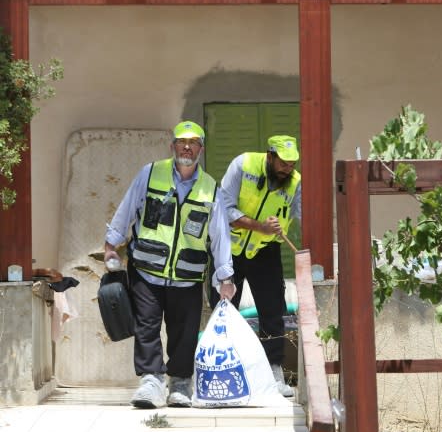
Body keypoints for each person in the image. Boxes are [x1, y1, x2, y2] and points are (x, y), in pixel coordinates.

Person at [104, 121, 236, 409]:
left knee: (184, 332)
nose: (186, 147)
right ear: (172, 146)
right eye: (181, 141)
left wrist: (225, 276)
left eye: (193, 142)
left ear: (201, 149)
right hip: (146, 270)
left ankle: (179, 383)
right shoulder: (150, 174)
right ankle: (151, 381)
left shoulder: (210, 188)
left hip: (187, 276)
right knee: (146, 327)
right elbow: (127, 208)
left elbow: (220, 236)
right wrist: (111, 244)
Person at [219, 134, 301, 397]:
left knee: (273, 311)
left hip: (265, 252)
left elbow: (305, 214)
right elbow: (224, 208)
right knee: (224, 312)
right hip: (230, 251)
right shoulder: (243, 165)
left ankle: (274, 371)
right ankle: (226, 372)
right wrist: (260, 226)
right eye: (284, 163)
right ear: (270, 156)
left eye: (292, 163)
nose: (288, 168)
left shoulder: (295, 182)